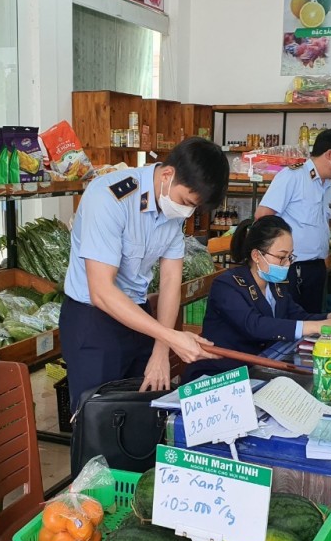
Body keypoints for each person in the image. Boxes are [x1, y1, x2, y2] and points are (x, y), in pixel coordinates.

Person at [60, 138, 229, 409]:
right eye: (186, 201)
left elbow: (172, 281)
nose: (187, 212)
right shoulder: (109, 197)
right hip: (93, 321)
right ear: (167, 175)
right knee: (96, 421)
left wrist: (161, 350)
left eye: (194, 207)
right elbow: (101, 291)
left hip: (139, 317)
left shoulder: (172, 207)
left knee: (137, 414)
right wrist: (171, 337)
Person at [183, 216, 331, 383]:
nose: (288, 264)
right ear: (256, 255)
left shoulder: (275, 285)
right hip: (222, 374)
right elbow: (254, 325)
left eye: (290, 257)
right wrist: (316, 326)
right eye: (281, 257)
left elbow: (298, 316)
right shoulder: (227, 284)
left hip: (259, 368)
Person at [254, 129, 331, 314]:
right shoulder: (293, 176)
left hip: (316, 268)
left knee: (313, 323)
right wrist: (277, 258)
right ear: (330, 154)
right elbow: (263, 216)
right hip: (291, 268)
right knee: (290, 323)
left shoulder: (326, 186)